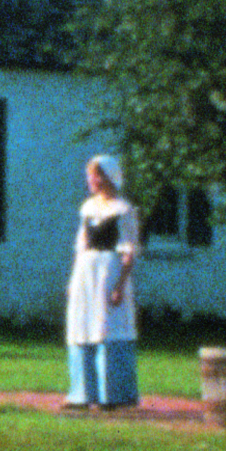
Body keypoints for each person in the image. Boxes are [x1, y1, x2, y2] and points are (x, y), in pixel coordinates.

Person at [64, 154, 143, 410]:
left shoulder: (124, 210)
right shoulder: (87, 208)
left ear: (107, 177)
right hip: (86, 273)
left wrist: (120, 284)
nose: (90, 180)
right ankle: (82, 393)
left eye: (94, 175)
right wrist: (73, 278)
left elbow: (129, 251)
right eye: (89, 175)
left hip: (109, 272)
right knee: (83, 326)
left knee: (107, 327)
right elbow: (81, 245)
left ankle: (113, 394)